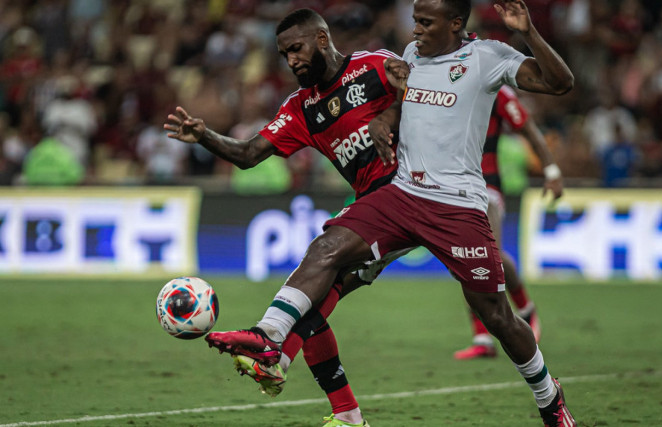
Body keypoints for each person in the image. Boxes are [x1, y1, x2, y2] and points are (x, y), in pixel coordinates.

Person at [205, 1, 577, 426]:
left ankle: (550, 397)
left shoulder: (487, 57)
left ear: (455, 23)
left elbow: (560, 83)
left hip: (457, 203)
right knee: (326, 249)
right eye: (415, 20)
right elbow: (407, 102)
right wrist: (386, 116)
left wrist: (527, 32)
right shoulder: (411, 57)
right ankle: (268, 336)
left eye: (425, 22)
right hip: (400, 192)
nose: (415, 30)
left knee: (496, 315)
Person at [165, 9, 409, 426]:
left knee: (320, 260)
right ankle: (345, 414)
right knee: (309, 302)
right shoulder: (301, 108)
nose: (291, 60)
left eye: (296, 49)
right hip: (373, 205)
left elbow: (421, 90)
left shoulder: (373, 68)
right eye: (284, 54)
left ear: (320, 39)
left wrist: (390, 115)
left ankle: (272, 346)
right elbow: (247, 155)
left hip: (410, 191)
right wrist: (204, 135)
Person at [454, 85, 563, 360]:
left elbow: (527, 128)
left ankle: (525, 311)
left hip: (487, 184)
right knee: (465, 259)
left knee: (488, 256)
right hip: (452, 185)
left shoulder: (495, 90)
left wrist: (551, 170)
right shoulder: (445, 82)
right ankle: (482, 338)